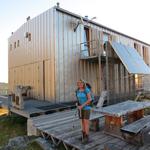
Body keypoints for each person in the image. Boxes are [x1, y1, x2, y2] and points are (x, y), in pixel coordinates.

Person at [76, 79, 92, 143]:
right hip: (80, 108)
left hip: (87, 108)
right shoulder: (77, 91)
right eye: (78, 83)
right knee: (82, 122)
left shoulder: (86, 90)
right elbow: (78, 99)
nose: (80, 84)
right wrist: (77, 104)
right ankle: (83, 135)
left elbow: (89, 99)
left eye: (81, 83)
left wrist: (82, 106)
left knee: (86, 122)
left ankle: (87, 137)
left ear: (83, 83)